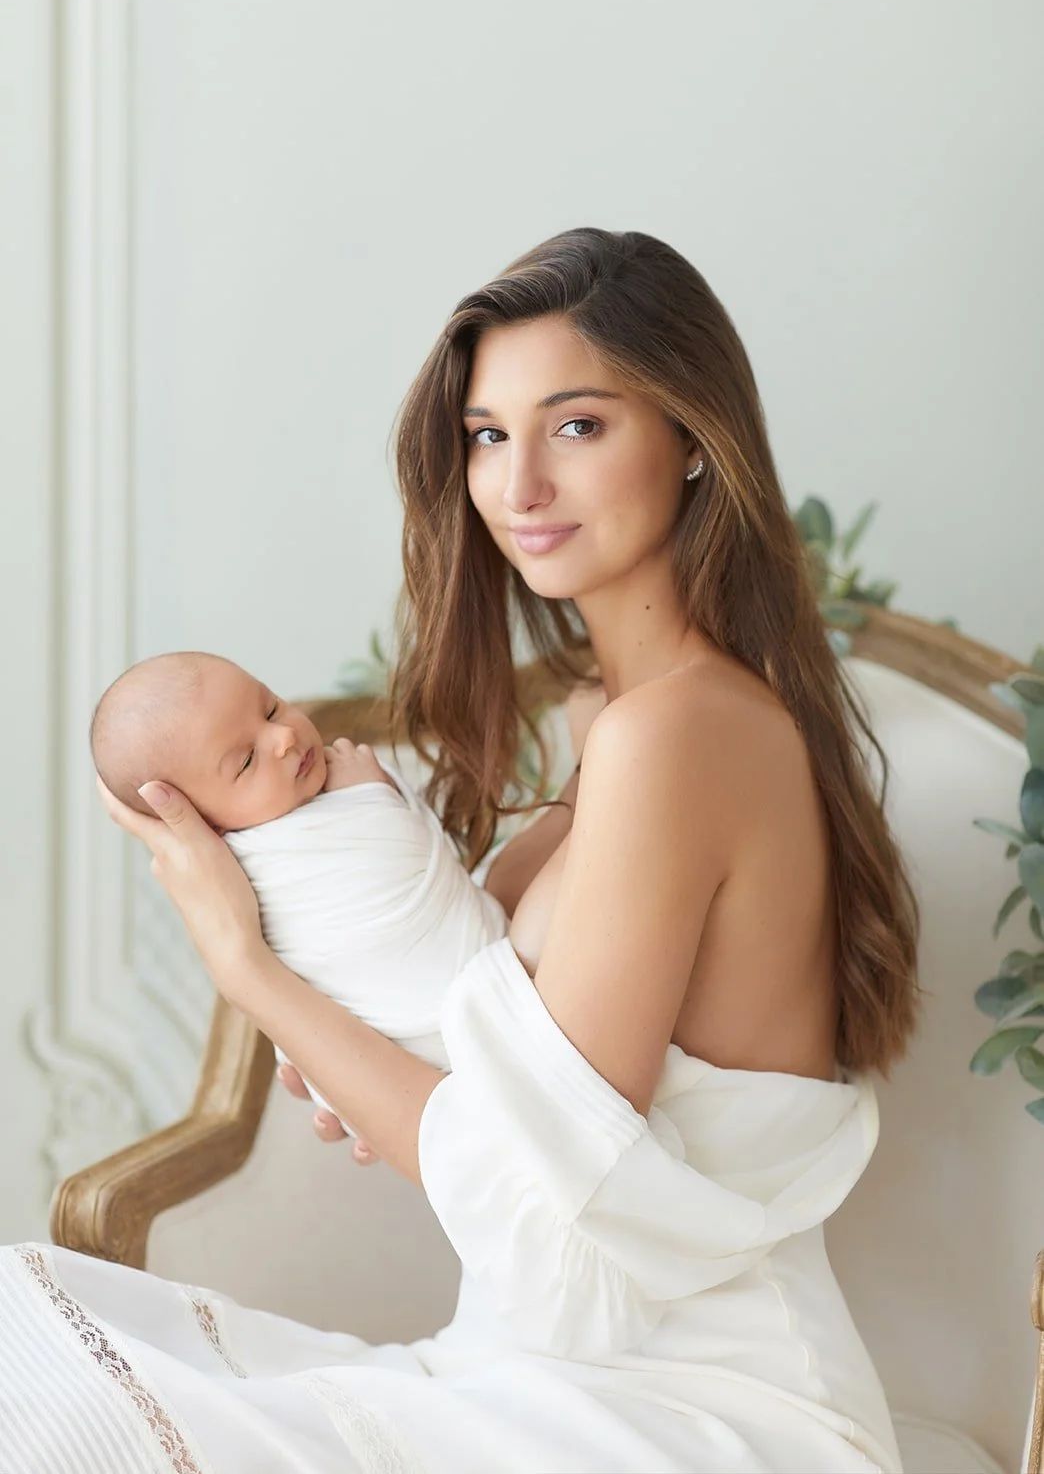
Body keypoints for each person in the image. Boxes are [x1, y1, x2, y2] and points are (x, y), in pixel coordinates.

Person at [0, 228, 920, 1473]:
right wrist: (369, 1054)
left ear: (694, 436)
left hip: (696, 1407)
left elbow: (552, 1230)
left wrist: (248, 966)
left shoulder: (681, 733)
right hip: (525, 1367)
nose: (520, 483)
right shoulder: (620, 722)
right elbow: (511, 1144)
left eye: (577, 425)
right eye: (488, 434)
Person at [88, 652, 508, 1113]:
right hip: (451, 1048)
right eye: (247, 761)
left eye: (270, 707)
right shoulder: (258, 869)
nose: (284, 736)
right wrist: (372, 796)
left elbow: (425, 885)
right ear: (206, 825)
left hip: (446, 1055)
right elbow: (391, 872)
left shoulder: (312, 806)